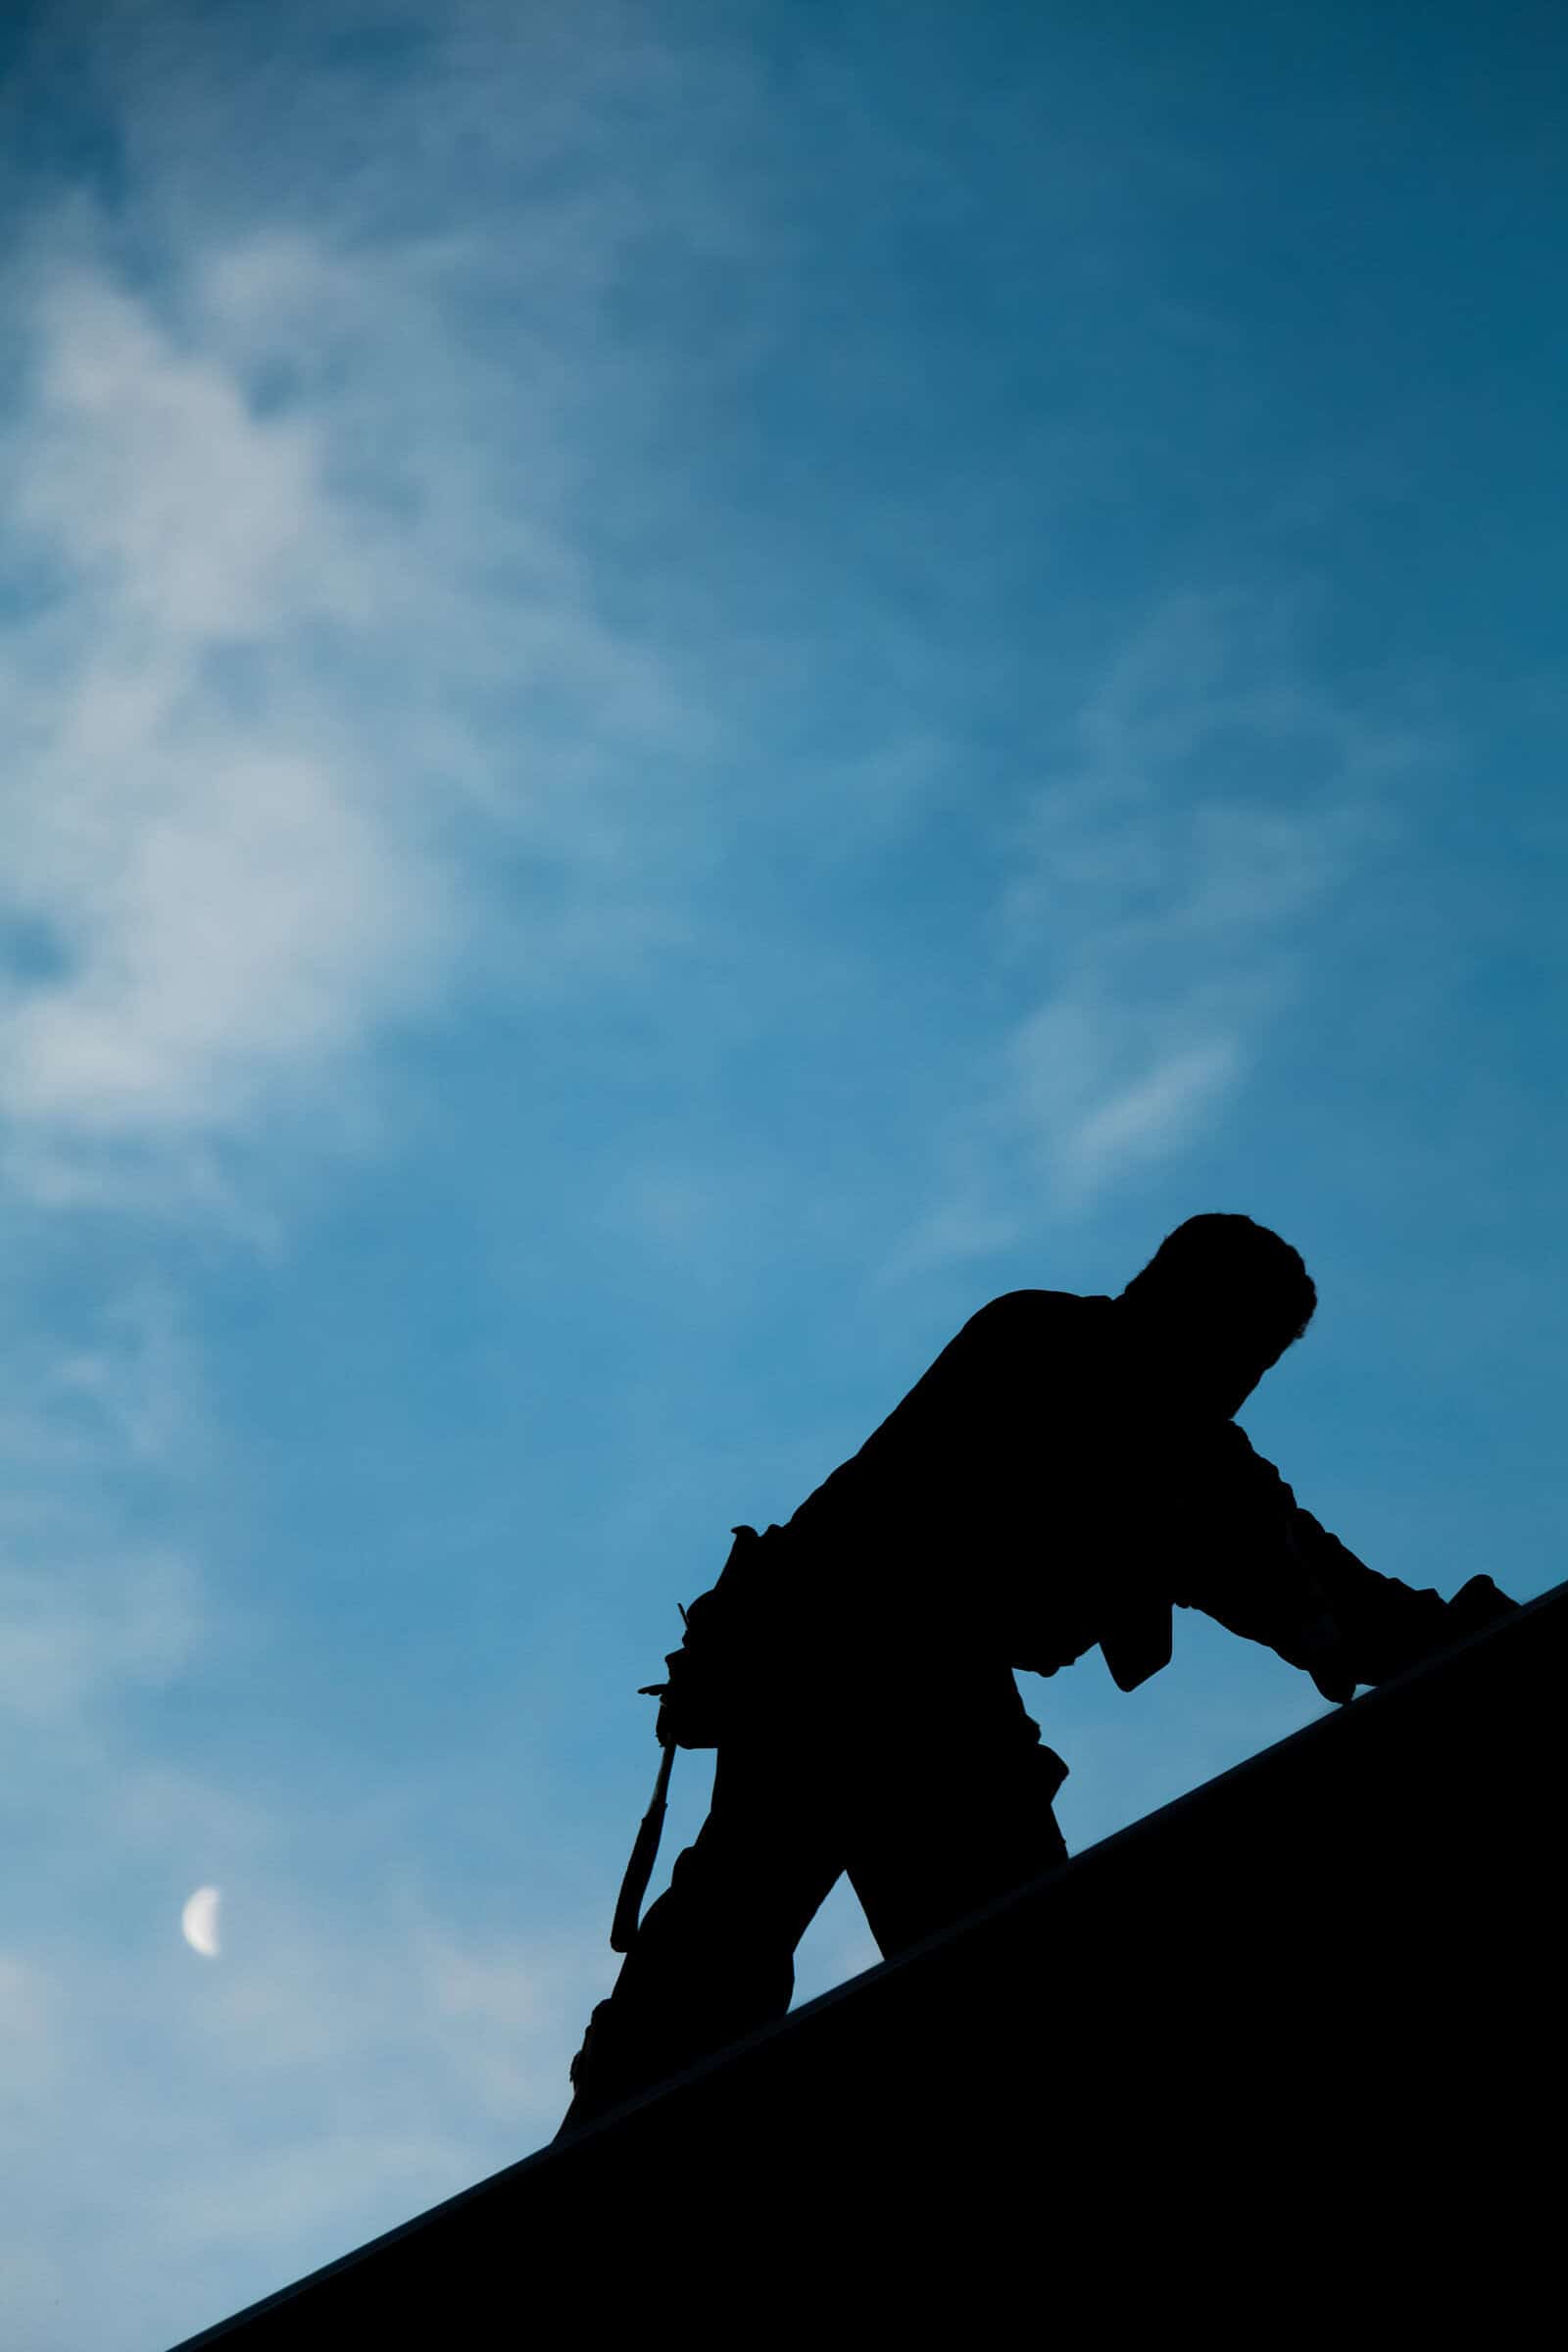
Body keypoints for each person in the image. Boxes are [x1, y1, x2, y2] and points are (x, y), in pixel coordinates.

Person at [558, 1213, 1518, 2135]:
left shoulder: (1161, 1430)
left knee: (762, 1937)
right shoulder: (1067, 1360)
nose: (1242, 1381)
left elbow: (1302, 1575)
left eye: (1260, 1363)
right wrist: (1403, 1633)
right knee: (820, 1944)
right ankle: (625, 2103)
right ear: (1180, 1304)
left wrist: (1423, 1636)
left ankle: (629, 2094)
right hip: (867, 1680)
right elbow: (1272, 1563)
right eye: (1243, 1349)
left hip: (870, 1683)